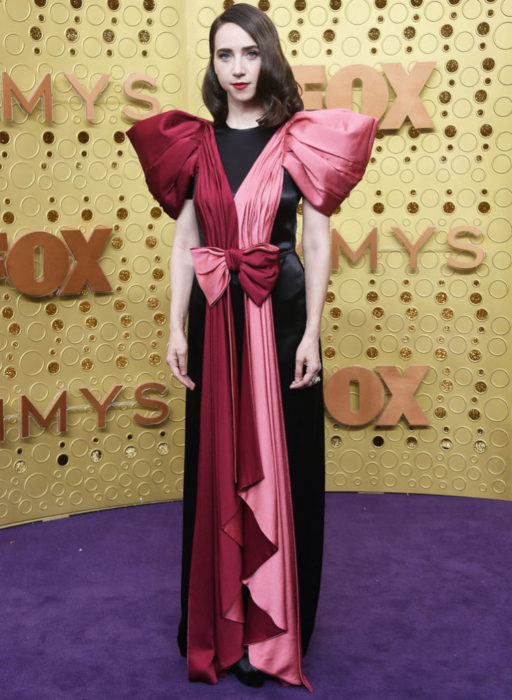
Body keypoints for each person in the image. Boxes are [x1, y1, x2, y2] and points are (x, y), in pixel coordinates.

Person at [127, 3, 377, 690]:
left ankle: (272, 627)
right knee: (217, 461)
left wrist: (316, 335)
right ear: (211, 64)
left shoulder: (303, 138)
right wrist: (174, 324)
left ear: (268, 56)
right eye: (223, 55)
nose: (236, 67)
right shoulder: (193, 143)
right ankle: (221, 621)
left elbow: (318, 241)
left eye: (247, 53)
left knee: (282, 464)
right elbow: (185, 242)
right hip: (215, 314)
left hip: (283, 313)